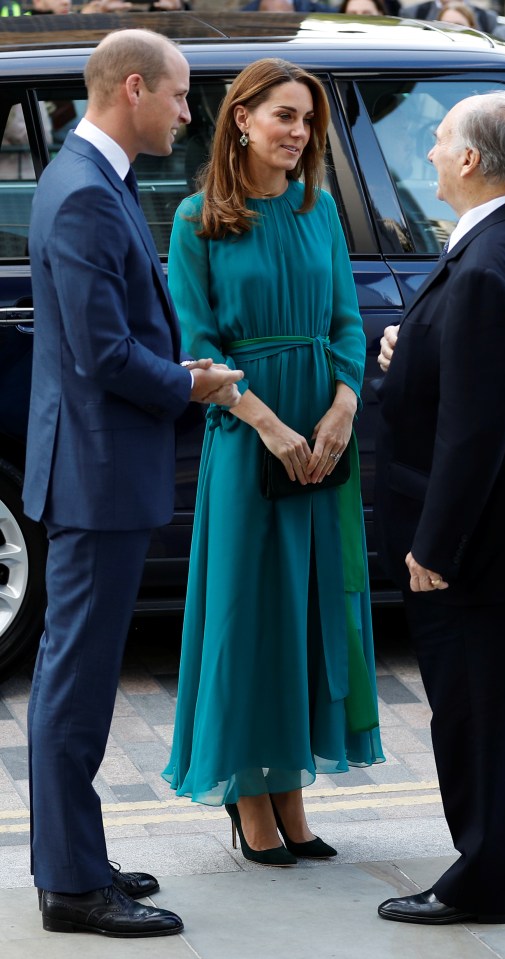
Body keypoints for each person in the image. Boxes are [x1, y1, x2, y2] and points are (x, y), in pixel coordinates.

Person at [24, 28, 243, 938]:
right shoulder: (80, 192)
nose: (190, 115)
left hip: (100, 465)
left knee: (77, 681)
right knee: (73, 685)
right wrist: (187, 383)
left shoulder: (95, 178)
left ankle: (78, 859)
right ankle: (72, 887)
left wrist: (172, 361)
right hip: (97, 474)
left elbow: (115, 333)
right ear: (134, 87)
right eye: (183, 97)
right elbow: (101, 353)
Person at [374, 91, 505, 925]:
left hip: (482, 540)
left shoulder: (489, 264)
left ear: (470, 161)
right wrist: (413, 349)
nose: (428, 154)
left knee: (473, 717)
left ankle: (480, 882)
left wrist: (434, 545)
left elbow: (475, 429)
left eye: (437, 143)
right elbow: (497, 375)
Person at [163, 57, 384, 866]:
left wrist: (341, 406)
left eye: (307, 121)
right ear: (243, 119)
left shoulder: (319, 209)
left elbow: (348, 323)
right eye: (285, 116)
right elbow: (198, 347)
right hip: (249, 440)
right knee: (247, 617)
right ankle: (246, 796)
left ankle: (290, 789)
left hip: (324, 442)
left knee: (310, 613)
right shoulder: (197, 221)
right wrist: (268, 423)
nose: (298, 133)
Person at [400, 0, 497, 34]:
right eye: (444, 25)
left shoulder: (487, 18)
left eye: (459, 25)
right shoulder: (413, 13)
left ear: (472, 26)